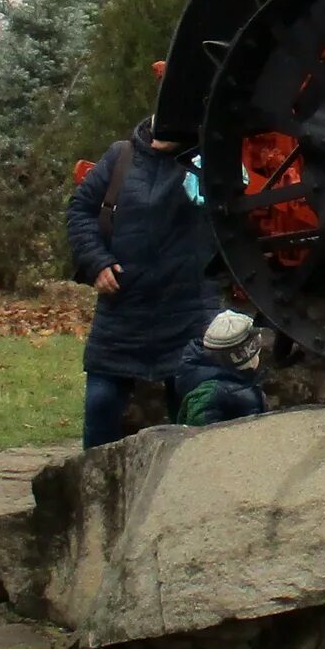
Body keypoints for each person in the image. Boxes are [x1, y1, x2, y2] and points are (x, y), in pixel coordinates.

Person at [66, 113, 220, 448]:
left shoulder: (205, 165)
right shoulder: (120, 157)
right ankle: (93, 490)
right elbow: (81, 210)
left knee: (192, 419)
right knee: (101, 405)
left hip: (185, 311)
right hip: (123, 310)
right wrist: (97, 263)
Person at [174, 309, 269, 427]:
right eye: (257, 354)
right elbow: (203, 435)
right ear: (246, 358)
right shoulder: (210, 394)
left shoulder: (235, 381)